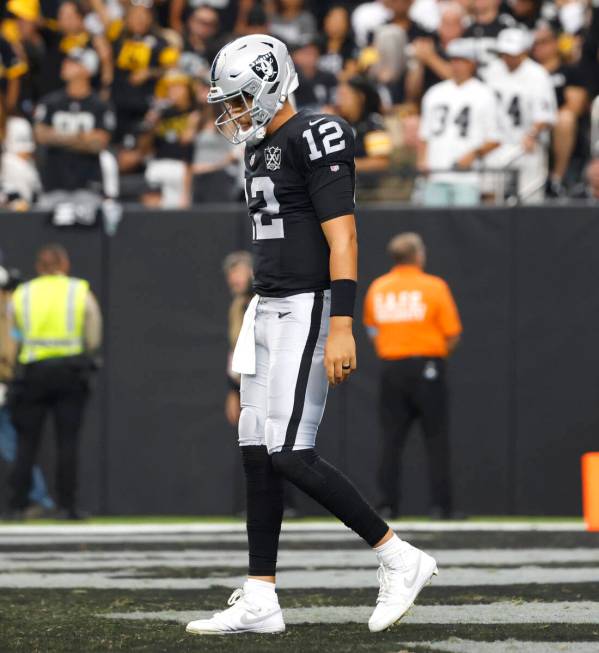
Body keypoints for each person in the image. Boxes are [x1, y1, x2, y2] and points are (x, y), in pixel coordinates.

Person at [185, 33, 438, 637]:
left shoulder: (316, 133)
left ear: (272, 86)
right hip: (266, 306)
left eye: (241, 99)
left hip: (308, 306)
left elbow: (343, 236)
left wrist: (344, 322)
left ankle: (399, 556)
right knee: (255, 451)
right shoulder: (258, 147)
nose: (233, 112)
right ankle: (260, 597)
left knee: (291, 453)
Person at [363, 233, 462, 519]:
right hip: (427, 365)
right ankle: (441, 507)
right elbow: (452, 333)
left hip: (392, 368)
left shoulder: (379, 288)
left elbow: (372, 329)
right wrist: (435, 353)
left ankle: (386, 505)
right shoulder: (433, 287)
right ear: (418, 255)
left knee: (391, 440)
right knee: (436, 439)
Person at [6, 244, 102, 520]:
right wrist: (85, 352)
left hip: (32, 371)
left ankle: (17, 505)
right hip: (70, 371)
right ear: (65, 264)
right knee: (67, 441)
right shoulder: (78, 290)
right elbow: (93, 330)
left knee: (26, 442)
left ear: (38, 266)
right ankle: (67, 506)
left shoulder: (22, 294)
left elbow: (13, 336)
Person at [0, 263, 55, 518]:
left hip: (6, 381)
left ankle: (38, 496)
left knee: (11, 443)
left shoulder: (8, 311)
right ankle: (38, 496)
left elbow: (8, 351)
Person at [417, 38, 500, 206]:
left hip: (467, 177)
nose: (457, 65)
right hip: (436, 173)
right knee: (434, 226)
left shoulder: (485, 94)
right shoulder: (434, 92)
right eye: (453, 60)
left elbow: (495, 138)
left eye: (462, 60)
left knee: (464, 227)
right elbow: (424, 134)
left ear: (472, 64)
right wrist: (422, 160)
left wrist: (473, 154)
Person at [34, 47, 115, 218]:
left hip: (87, 185)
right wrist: (81, 138)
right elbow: (40, 135)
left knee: (85, 241)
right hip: (53, 183)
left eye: (73, 62)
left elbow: (99, 144)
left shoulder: (99, 105)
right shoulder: (50, 102)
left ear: (87, 69)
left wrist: (56, 136)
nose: (65, 65)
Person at [481, 28, 557, 203]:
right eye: (505, 53)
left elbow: (545, 116)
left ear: (524, 51)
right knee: (488, 194)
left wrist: (531, 134)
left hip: (526, 142)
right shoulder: (493, 70)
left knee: (528, 198)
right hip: (497, 142)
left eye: (513, 53)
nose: (508, 57)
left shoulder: (537, 74)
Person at [531, 22, 589, 196]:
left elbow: (576, 105)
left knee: (565, 118)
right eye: (536, 43)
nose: (539, 47)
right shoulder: (527, 73)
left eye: (544, 42)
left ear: (556, 43)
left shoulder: (569, 71)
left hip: (555, 125)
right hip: (530, 125)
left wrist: (545, 120)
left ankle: (556, 178)